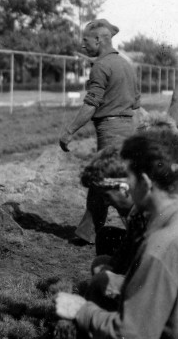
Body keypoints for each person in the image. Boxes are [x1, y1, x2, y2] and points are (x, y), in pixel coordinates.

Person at [55, 129, 178, 338]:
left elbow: (132, 333)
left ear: (146, 183)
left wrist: (81, 310)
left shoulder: (161, 246)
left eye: (129, 177)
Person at [59, 19, 140, 244]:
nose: (83, 46)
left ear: (98, 39)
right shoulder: (126, 65)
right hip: (128, 128)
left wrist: (69, 131)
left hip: (111, 132)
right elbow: (136, 104)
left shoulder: (101, 66)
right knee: (103, 181)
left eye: (86, 41)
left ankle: (140, 230)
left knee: (110, 183)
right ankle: (87, 233)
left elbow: (91, 104)